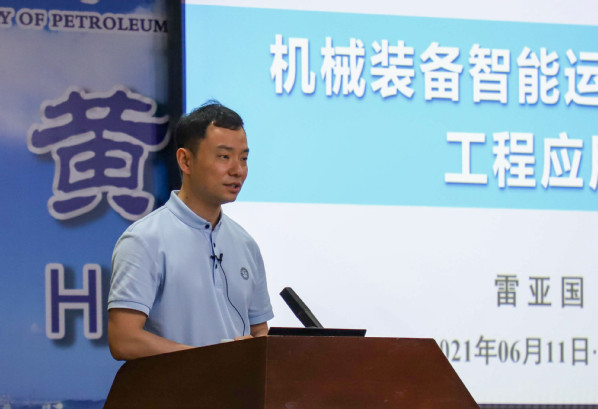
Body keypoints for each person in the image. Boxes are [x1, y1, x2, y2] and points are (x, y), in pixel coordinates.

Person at [107, 102, 273, 361]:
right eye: (224, 157)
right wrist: (210, 360)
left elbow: (259, 331)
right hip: (174, 386)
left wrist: (253, 349)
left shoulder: (245, 244)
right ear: (185, 160)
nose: (237, 170)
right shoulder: (144, 240)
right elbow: (124, 339)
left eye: (243, 158)